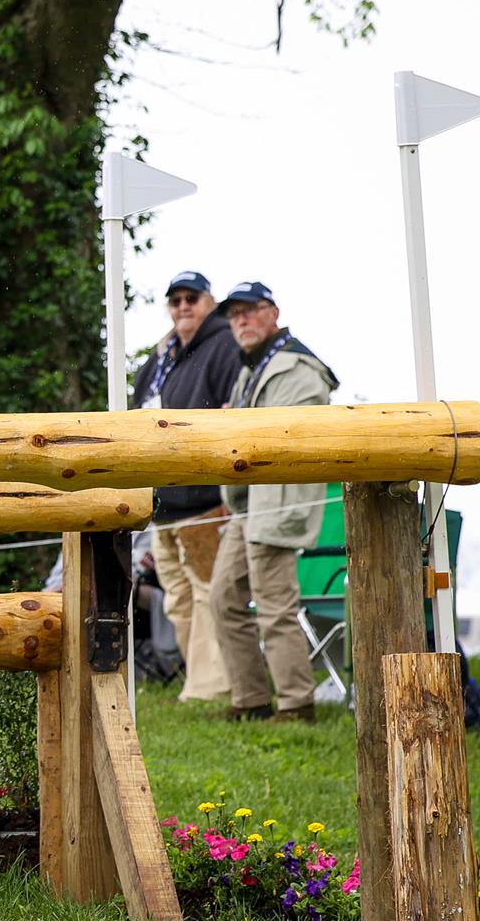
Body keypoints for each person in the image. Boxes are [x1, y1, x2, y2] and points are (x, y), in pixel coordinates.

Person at [208, 282, 339, 723]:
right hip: (251, 505)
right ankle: (250, 701)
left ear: (274, 312)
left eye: (250, 311)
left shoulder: (298, 369)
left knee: (274, 603)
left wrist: (233, 425)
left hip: (278, 501)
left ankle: (297, 705)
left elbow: (280, 439)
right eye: (234, 315)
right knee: (223, 597)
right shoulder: (256, 367)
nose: (240, 321)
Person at [132, 270, 242, 704]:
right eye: (175, 300)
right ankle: (199, 682)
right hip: (163, 502)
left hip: (204, 498)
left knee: (207, 594)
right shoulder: (163, 357)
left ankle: (212, 688)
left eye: (191, 298)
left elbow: (233, 413)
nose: (182, 306)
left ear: (208, 302)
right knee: (177, 599)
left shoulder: (223, 346)